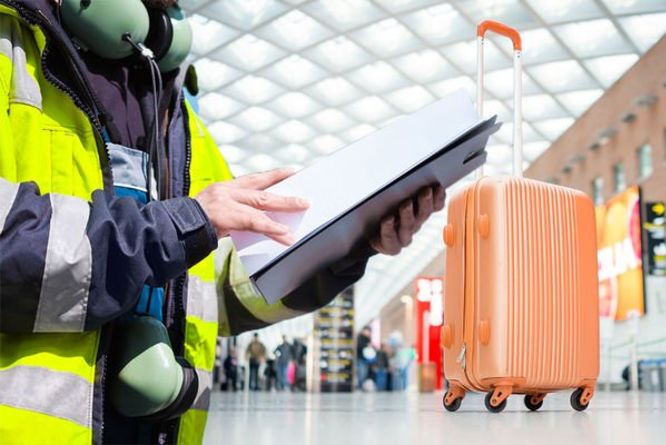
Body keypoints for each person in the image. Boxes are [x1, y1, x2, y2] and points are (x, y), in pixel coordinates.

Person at [0, 1, 446, 443]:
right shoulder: (11, 48)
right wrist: (175, 228)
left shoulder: (179, 119)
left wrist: (349, 241)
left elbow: (225, 293)